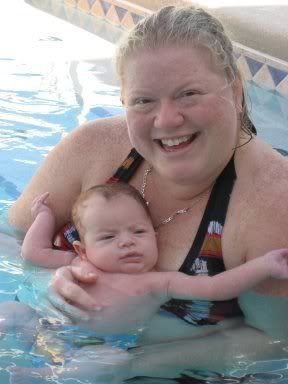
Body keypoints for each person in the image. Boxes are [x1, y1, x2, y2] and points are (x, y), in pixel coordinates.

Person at [8, 4, 288, 381]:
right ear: (123, 101)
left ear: (236, 90)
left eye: (188, 94)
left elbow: (274, 343)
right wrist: (46, 285)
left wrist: (132, 364)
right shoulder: (92, 148)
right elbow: (10, 240)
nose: (167, 120)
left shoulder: (273, 203)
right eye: (144, 101)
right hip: (52, 338)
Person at [5, 182, 288, 383]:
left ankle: (41, 377)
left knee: (109, 361)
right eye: (108, 237)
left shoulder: (158, 283)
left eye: (138, 231)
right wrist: (44, 216)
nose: (127, 241)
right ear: (82, 248)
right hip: (45, 325)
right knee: (11, 311)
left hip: (91, 346)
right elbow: (33, 253)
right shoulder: (78, 263)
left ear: (155, 237)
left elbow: (216, 287)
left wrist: (263, 266)